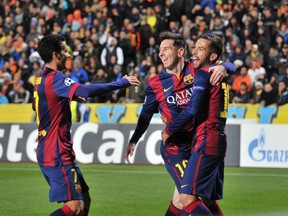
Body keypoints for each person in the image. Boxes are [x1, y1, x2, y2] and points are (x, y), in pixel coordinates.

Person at [125, 31, 235, 216]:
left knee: (189, 199)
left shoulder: (196, 69)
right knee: (188, 198)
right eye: (160, 50)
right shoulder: (155, 82)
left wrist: (224, 67)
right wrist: (135, 139)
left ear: (180, 52)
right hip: (176, 147)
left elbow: (223, 63)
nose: (160, 53)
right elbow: (145, 116)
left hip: (197, 141)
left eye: (166, 49)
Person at [32, 34, 140, 216]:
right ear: (55, 54)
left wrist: (69, 96)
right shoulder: (56, 79)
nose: (69, 55)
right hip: (55, 150)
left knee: (85, 200)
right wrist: (121, 82)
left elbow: (38, 106)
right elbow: (85, 90)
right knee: (75, 205)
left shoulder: (40, 79)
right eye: (65, 51)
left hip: (54, 148)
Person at [161, 33, 230, 215]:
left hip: (206, 138)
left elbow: (192, 109)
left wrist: (169, 129)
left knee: (186, 198)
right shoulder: (218, 72)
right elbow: (230, 65)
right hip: (216, 138)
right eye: (195, 47)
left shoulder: (204, 73)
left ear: (213, 56)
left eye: (201, 49)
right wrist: (226, 67)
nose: (195, 53)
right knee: (207, 201)